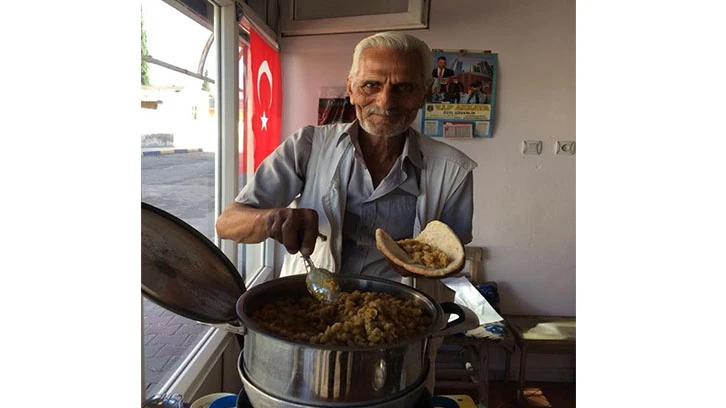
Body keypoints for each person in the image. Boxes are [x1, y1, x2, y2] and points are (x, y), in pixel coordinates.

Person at [216, 31, 478, 393]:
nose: (386, 101)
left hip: (398, 335)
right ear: (351, 87)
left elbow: (452, 261)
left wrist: (424, 266)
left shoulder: (454, 170)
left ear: (426, 92)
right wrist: (270, 219)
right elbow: (227, 222)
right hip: (308, 324)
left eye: (404, 87)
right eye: (371, 84)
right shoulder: (307, 146)